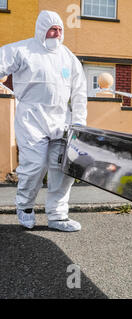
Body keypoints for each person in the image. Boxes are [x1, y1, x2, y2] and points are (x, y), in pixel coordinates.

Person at [0, 10, 88, 232]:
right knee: (35, 166)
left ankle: (58, 215)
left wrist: (79, 122)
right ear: (41, 29)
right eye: (52, 28)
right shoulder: (23, 49)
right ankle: (25, 207)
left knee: (63, 169)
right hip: (31, 119)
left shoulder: (67, 56)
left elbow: (79, 91)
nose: (56, 33)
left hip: (61, 120)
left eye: (59, 29)